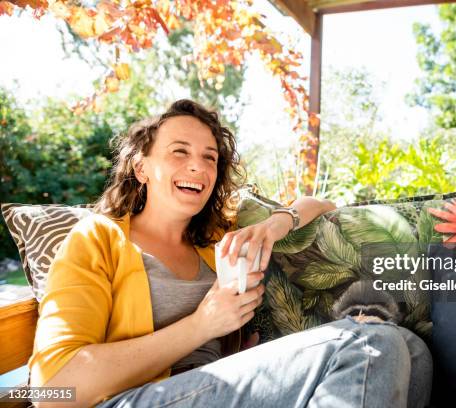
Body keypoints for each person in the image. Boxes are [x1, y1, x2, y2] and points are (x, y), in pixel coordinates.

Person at [28, 99, 432, 408]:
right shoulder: (95, 240)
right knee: (364, 344)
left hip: (212, 387)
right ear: (141, 167)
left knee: (408, 347)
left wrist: (275, 224)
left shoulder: (214, 235)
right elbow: (54, 390)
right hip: (132, 400)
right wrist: (202, 326)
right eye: (179, 152)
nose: (198, 168)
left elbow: (319, 204)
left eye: (209, 157)